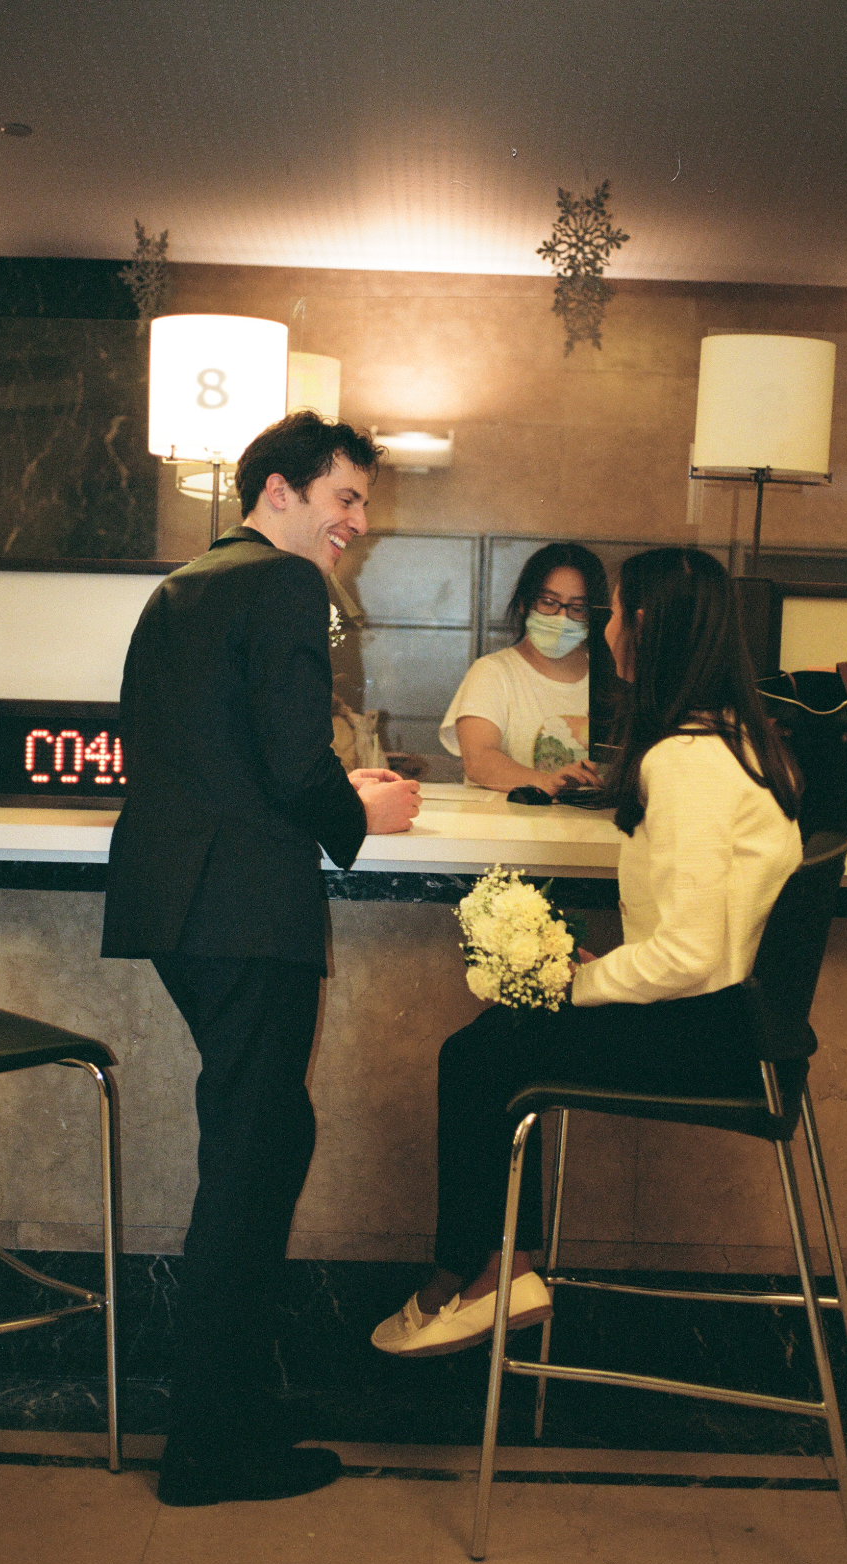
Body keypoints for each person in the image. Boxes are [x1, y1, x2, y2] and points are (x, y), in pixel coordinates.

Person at [371, 546, 802, 1356]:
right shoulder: (733, 741)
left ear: (646, 626)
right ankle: (495, 1269)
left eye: (611, 613)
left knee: (482, 1054)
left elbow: (685, 955)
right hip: (733, 1026)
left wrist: (577, 984)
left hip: (704, 1035)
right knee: (495, 1043)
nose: (600, 632)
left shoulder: (687, 763)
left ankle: (481, 1274)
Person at [102, 411, 420, 1504]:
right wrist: (364, 811)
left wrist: (334, 792)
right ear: (278, 490)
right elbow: (292, 762)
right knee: (252, 1158)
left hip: (181, 901)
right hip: (243, 906)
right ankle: (207, 1446)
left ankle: (232, 1404)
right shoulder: (286, 583)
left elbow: (207, 748)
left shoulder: (186, 583)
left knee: (263, 1139)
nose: (357, 522)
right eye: (346, 498)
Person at [439, 542, 613, 794]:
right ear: (524, 602)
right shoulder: (492, 672)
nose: (561, 617)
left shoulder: (610, 676)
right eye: (548, 602)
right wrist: (546, 782)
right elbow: (479, 760)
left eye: (578, 608)